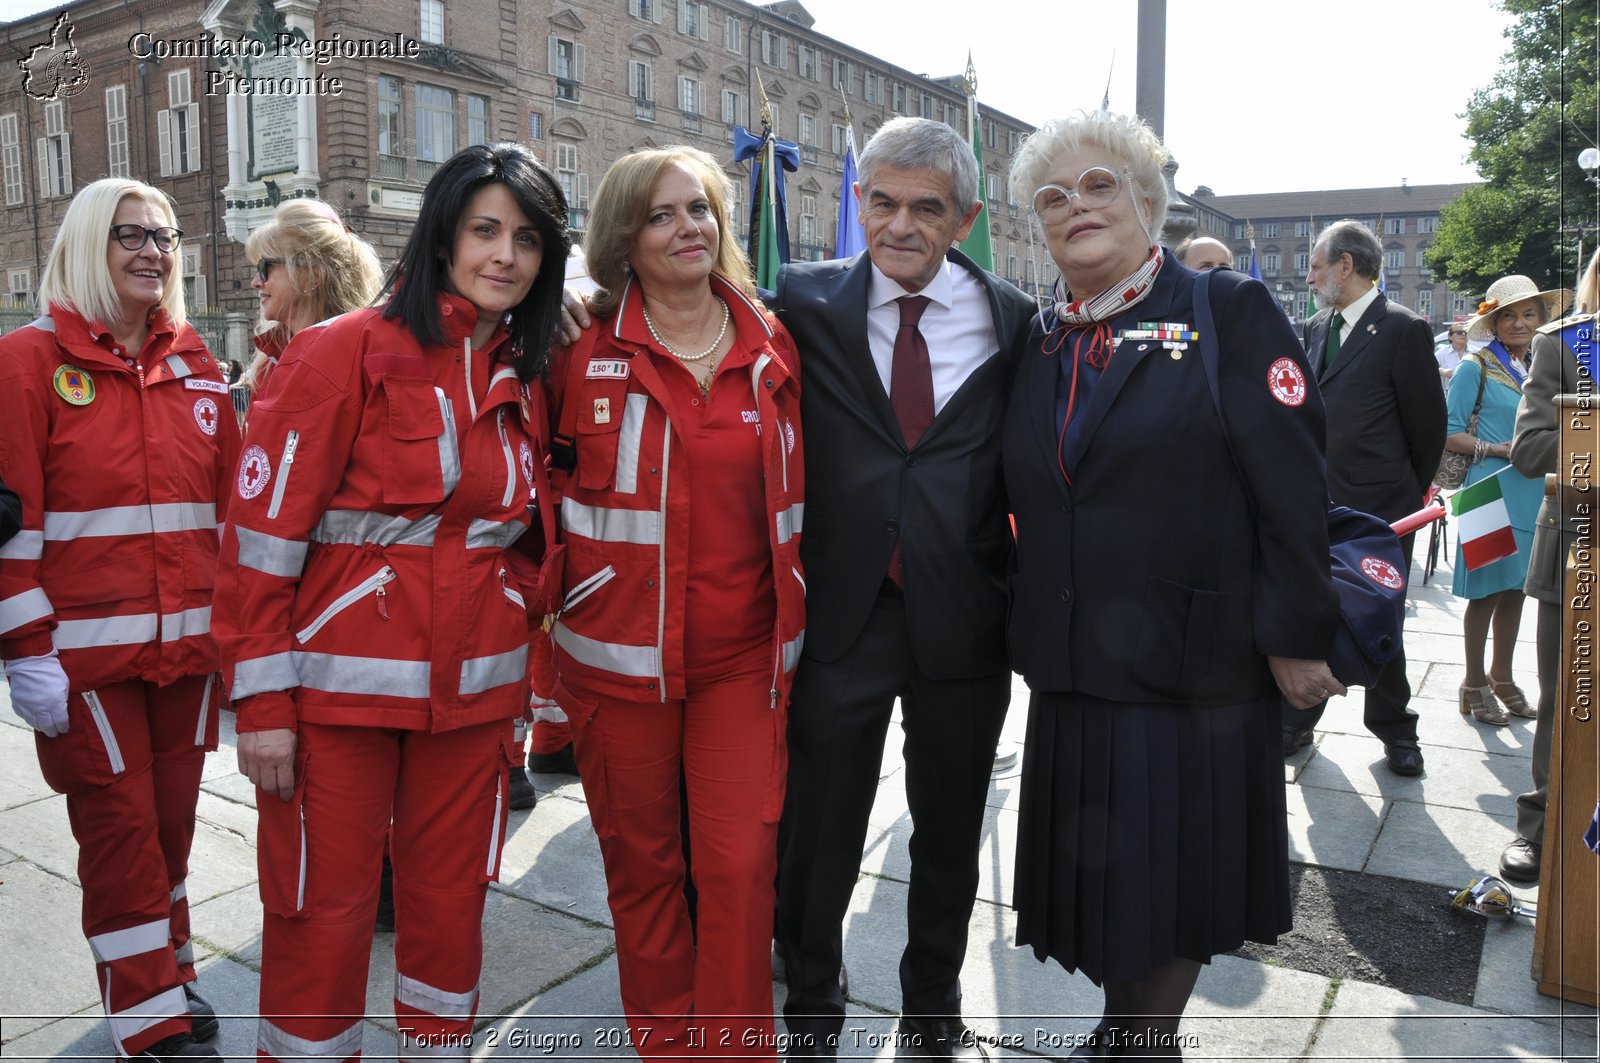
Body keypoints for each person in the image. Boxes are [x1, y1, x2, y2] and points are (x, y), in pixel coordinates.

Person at [212, 142, 570, 1059]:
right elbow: (257, 549)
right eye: (484, 230)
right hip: (335, 703)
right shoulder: (341, 353)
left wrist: (510, 602)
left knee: (451, 909)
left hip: (473, 705)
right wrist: (261, 703)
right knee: (320, 914)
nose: (505, 255)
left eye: (526, 238)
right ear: (441, 234)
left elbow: (527, 531)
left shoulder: (527, 368)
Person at [1002, 110, 1340, 1061]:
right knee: (1105, 878)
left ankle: (1150, 1042)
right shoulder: (1041, 338)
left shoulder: (1223, 310)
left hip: (1195, 664)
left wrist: (1298, 630)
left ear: (1148, 201)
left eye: (1100, 185)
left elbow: (1294, 482)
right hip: (1074, 661)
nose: (1077, 207)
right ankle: (1120, 1026)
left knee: (1174, 873)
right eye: (1053, 197)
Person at [772, 116, 1035, 1061]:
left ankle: (932, 1007)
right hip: (841, 616)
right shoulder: (801, 303)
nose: (899, 225)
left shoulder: (1015, 322)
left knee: (950, 831)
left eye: (926, 208)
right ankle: (810, 1007)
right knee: (818, 832)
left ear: (964, 218)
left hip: (965, 619)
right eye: (881, 201)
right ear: (859, 201)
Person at [543, 145, 804, 1060]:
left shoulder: (774, 344)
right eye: (661, 214)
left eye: (699, 209)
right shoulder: (575, 348)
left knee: (737, 867)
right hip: (617, 666)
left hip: (742, 660)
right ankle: (664, 1041)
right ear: (623, 236)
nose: (688, 227)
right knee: (643, 866)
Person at [0, 178, 241, 1060]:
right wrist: (25, 652)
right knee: (123, 837)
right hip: (84, 666)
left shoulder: (198, 366)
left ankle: (170, 969)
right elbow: (9, 526)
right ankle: (150, 1021)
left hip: (188, 659)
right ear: (87, 244)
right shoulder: (25, 364)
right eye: (129, 235)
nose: (153, 251)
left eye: (166, 236)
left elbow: (230, 519)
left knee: (172, 829)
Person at [1283, 219, 1445, 776]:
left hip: (1383, 512)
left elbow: (1428, 428)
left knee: (1380, 622)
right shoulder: (1313, 327)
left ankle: (1396, 730)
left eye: (1315, 265)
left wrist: (1402, 495)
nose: (1308, 278)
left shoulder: (1403, 328)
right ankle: (1298, 719)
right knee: (1314, 612)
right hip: (1319, 508)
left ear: (1344, 266)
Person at [1504, 250, 1597, 884]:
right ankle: (1542, 826)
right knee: (1569, 699)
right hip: (1580, 548)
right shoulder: (1569, 345)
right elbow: (1531, 446)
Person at [1443, 275, 1564, 726]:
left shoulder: (1537, 365)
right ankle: (1473, 682)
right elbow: (1449, 432)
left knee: (1517, 590)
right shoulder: (1474, 367)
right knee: (1486, 594)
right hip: (1487, 492)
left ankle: (1502, 676)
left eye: (1529, 314)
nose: (1519, 322)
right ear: (1492, 322)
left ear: (1541, 320)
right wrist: (1496, 448)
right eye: (1509, 315)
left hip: (1530, 489)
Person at [238, 198, 383, 408]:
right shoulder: (268, 362)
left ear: (312, 273)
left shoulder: (362, 363)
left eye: (264, 267)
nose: (255, 282)